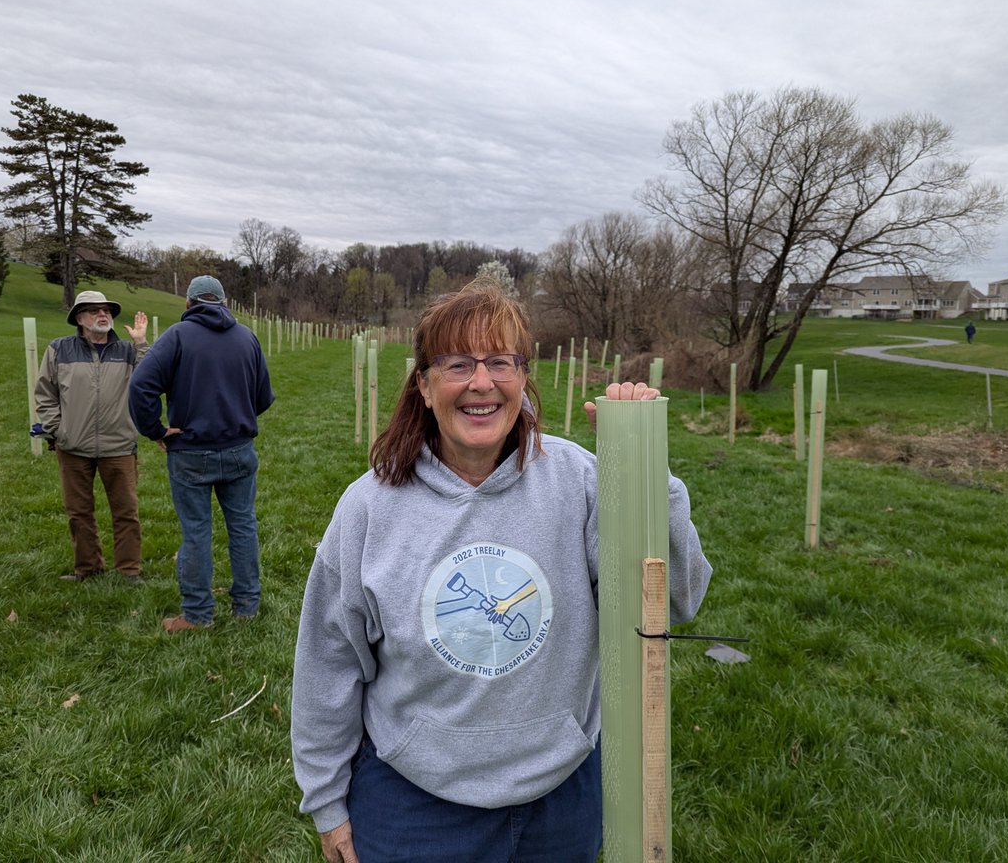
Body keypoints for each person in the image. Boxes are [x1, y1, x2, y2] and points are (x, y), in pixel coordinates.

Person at [290, 281, 712, 863]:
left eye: (500, 362)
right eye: (458, 363)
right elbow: (328, 659)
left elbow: (676, 602)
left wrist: (644, 473)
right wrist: (327, 802)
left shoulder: (582, 482)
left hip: (560, 797)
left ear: (523, 377)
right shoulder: (370, 508)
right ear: (424, 383)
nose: (481, 382)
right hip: (415, 803)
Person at [128, 275, 274, 633]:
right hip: (239, 449)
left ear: (189, 304)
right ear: (224, 303)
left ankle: (197, 615)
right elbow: (263, 396)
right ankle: (247, 607)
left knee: (196, 531)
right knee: (243, 527)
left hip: (191, 452)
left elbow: (141, 385)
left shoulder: (177, 337)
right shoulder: (246, 337)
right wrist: (236, 415)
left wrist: (155, 430)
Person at [35, 290, 149, 583]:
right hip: (73, 446)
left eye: (107, 311)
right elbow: (45, 394)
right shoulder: (59, 349)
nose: (103, 315)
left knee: (126, 512)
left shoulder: (126, 350)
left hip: (120, 445)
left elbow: (150, 380)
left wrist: (141, 344)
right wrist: (58, 430)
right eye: (94, 311)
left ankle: (129, 571)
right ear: (79, 319)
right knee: (78, 513)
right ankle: (87, 568)